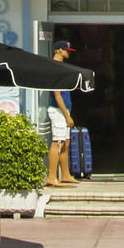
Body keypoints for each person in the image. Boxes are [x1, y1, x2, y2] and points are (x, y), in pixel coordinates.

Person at [46, 42, 77, 187]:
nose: (68, 53)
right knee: (57, 142)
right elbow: (57, 95)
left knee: (65, 142)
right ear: (58, 50)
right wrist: (67, 115)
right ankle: (51, 176)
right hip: (58, 110)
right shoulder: (54, 68)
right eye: (66, 50)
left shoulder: (61, 67)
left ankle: (65, 174)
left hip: (64, 109)